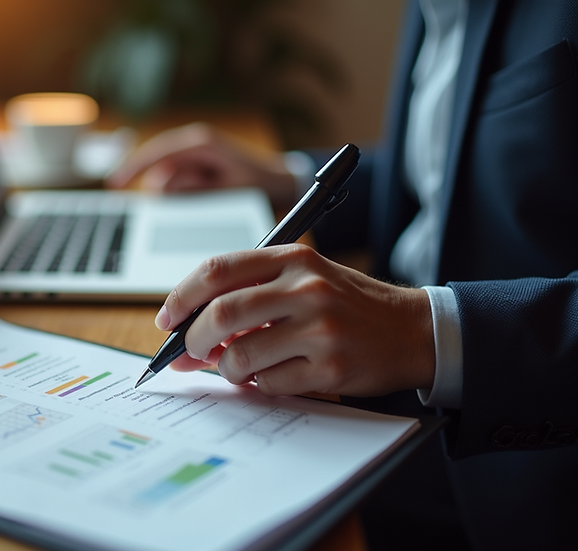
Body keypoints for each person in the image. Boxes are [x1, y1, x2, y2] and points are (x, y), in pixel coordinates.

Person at [109, 1, 577, 549]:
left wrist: (420, 334)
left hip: (531, 468)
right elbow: (450, 176)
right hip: (394, 397)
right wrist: (291, 182)